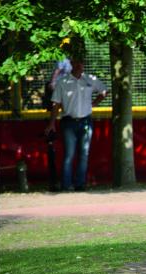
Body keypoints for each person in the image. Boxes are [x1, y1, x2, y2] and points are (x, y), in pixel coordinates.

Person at [44, 57, 107, 191]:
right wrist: (52, 123)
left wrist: (94, 103)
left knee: (84, 153)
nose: (80, 65)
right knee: (69, 154)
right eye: (77, 62)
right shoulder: (63, 82)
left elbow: (104, 91)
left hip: (86, 121)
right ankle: (66, 185)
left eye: (81, 62)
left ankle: (80, 185)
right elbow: (56, 104)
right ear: (71, 64)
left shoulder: (90, 79)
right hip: (68, 122)